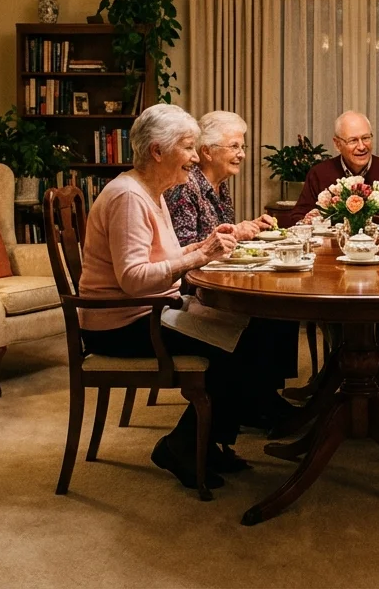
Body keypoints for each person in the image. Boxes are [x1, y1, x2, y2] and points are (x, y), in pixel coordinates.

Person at [77, 104, 276, 493]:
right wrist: (199, 256)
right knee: (238, 345)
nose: (194, 157)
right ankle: (180, 446)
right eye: (188, 148)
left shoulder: (153, 191)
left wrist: (203, 244)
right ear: (157, 151)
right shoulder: (129, 197)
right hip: (121, 324)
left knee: (254, 329)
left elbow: (162, 258)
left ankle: (207, 441)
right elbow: (133, 280)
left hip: (150, 311)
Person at [164, 110, 300, 430]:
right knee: (267, 311)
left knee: (281, 301)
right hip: (190, 288)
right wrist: (238, 234)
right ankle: (257, 402)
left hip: (214, 276)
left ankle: (261, 397)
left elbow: (220, 235)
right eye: (234, 146)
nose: (241, 153)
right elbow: (185, 249)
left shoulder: (218, 185)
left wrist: (243, 229)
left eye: (242, 146)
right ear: (208, 151)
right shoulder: (187, 187)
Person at [288, 111, 379, 228]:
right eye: (353, 141)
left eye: (366, 138)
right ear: (337, 144)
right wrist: (308, 220)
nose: (362, 146)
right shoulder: (319, 173)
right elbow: (296, 218)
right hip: (333, 250)